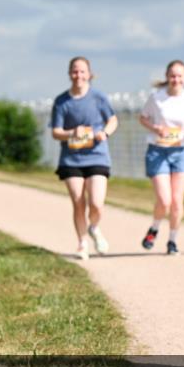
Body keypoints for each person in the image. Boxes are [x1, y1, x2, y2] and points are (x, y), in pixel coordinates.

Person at [50, 56, 119, 261]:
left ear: (89, 74)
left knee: (97, 203)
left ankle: (94, 227)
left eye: (82, 71)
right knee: (78, 201)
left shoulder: (98, 98)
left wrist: (104, 133)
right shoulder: (62, 101)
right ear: (69, 73)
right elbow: (56, 132)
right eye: (74, 71)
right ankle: (82, 243)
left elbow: (113, 120)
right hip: (72, 159)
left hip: (97, 155)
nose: (78, 75)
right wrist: (72, 133)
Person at [139, 60, 184, 255]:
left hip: (180, 152)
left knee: (176, 201)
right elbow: (143, 117)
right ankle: (155, 227)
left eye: (180, 76)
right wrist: (155, 128)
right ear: (167, 77)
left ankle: (172, 241)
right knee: (164, 200)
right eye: (173, 76)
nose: (176, 79)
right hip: (158, 151)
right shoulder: (156, 98)